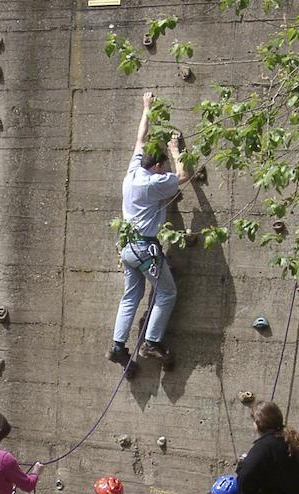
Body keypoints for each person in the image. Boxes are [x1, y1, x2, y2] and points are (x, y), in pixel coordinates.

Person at [108, 90, 191, 368]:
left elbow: (140, 139)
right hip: (144, 248)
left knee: (132, 294)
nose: (163, 169)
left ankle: (118, 345)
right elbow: (182, 177)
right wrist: (177, 151)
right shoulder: (153, 183)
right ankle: (151, 342)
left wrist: (147, 108)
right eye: (162, 165)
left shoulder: (132, 173)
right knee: (166, 292)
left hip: (128, 247)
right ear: (156, 166)